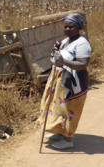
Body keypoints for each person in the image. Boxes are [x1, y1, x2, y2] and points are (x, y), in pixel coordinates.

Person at [36, 13, 91, 149]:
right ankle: (60, 132)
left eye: (70, 27)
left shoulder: (82, 43)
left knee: (70, 109)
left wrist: (64, 61)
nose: (67, 29)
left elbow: (83, 64)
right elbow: (57, 58)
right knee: (59, 107)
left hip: (74, 82)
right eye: (65, 27)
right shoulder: (65, 41)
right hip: (60, 79)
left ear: (78, 27)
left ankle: (68, 139)